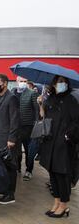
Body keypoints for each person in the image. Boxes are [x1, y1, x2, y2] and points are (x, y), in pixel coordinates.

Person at [37, 75, 79, 218]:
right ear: (53, 84)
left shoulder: (71, 100)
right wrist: (41, 106)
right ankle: (56, 202)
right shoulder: (50, 99)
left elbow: (76, 121)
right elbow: (45, 118)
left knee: (62, 174)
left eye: (64, 82)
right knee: (52, 174)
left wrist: (68, 136)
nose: (61, 84)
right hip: (50, 141)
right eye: (59, 82)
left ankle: (64, 205)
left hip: (64, 143)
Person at [0, 74, 20, 204]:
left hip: (8, 140)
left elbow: (14, 120)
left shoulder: (11, 98)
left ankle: (10, 194)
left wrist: (12, 138)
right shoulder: (0, 97)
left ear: (5, 84)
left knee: (10, 166)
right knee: (2, 166)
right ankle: (4, 189)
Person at [12, 76, 39, 179]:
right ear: (16, 82)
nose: (22, 83)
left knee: (29, 151)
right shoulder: (12, 92)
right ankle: (17, 167)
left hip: (28, 127)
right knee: (15, 149)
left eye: (24, 81)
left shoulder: (32, 93)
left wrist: (36, 124)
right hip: (15, 126)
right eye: (21, 81)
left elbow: (36, 110)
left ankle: (29, 170)